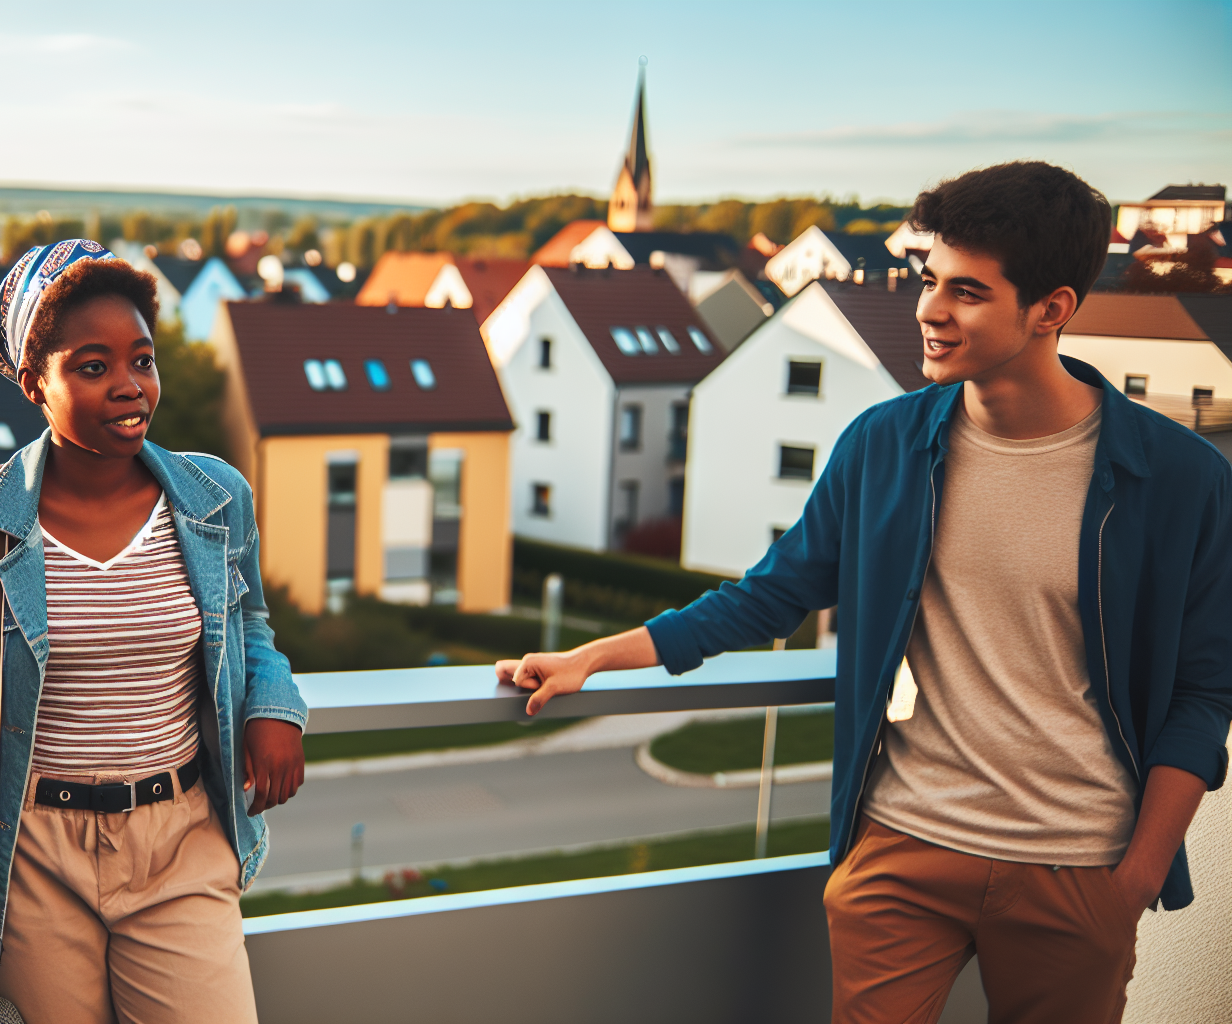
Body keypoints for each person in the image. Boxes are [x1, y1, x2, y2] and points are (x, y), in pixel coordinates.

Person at [497, 161, 1232, 1022]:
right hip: (905, 848)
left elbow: (1203, 687)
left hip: (1077, 867)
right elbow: (773, 594)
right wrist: (597, 656)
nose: (928, 309)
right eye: (929, 280)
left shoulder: (1179, 477)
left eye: (967, 292)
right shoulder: (882, 444)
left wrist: (1133, 880)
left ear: (1052, 310)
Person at [0, 239, 307, 1023]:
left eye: (142, 360)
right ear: (36, 383)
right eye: (93, 367)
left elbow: (251, 624)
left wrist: (275, 704)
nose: (130, 387)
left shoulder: (216, 500)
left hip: (182, 840)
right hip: (26, 851)